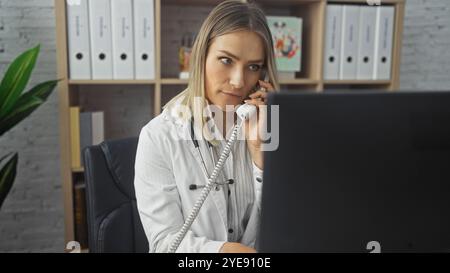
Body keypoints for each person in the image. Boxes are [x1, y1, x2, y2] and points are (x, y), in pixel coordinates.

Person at [134, 0, 279, 253]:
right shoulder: (158, 137)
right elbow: (164, 245)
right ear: (200, 57)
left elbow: (289, 225)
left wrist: (260, 156)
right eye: (226, 60)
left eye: (253, 67)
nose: (238, 81)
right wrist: (228, 253)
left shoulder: (272, 128)